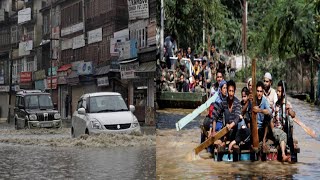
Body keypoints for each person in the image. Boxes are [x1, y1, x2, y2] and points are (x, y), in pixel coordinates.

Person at [270, 80, 296, 162]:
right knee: (283, 134)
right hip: (277, 130)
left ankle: (290, 139)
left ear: (283, 93)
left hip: (285, 131)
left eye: (279, 91)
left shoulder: (287, 104)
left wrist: (289, 110)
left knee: (291, 120)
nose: (277, 93)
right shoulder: (275, 104)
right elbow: (271, 120)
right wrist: (273, 130)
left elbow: (293, 114)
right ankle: (283, 155)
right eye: (277, 91)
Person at [252, 81, 273, 148]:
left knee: (268, 116)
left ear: (263, 92)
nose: (259, 93)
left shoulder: (264, 100)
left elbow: (269, 111)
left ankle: (264, 139)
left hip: (261, 128)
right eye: (257, 91)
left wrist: (259, 110)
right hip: (254, 127)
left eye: (261, 91)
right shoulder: (253, 100)